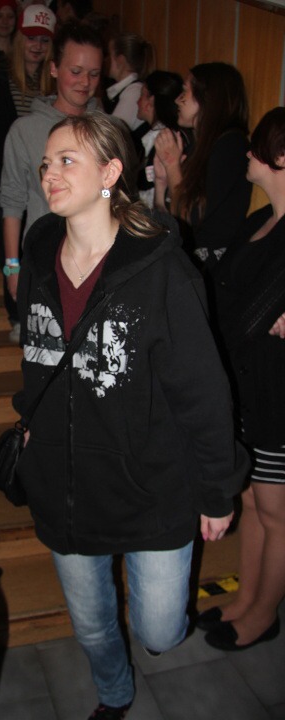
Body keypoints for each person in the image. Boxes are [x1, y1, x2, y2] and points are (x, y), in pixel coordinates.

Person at [15, 113, 248, 719]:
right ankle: (115, 693)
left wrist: (216, 490)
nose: (50, 173)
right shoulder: (38, 255)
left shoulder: (161, 268)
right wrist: (31, 418)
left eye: (68, 160)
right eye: (46, 163)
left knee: (161, 631)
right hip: (67, 487)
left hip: (152, 484)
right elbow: (37, 356)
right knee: (93, 627)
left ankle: (150, 641)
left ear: (110, 172)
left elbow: (202, 390)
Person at [198, 107, 285, 652]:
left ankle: (264, 614)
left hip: (278, 394)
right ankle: (247, 599)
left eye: (258, 145)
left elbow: (248, 310)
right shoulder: (261, 221)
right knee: (253, 503)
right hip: (249, 387)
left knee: (278, 514)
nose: (247, 153)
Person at [0, 19, 103, 302]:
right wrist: (12, 267)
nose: (85, 82)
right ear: (54, 68)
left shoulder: (109, 129)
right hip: (44, 263)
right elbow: (13, 202)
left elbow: (117, 198)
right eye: (76, 71)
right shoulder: (25, 130)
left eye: (94, 74)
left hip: (99, 264)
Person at [0, 2, 55, 335]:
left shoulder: (54, 81)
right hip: (4, 178)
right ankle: (17, 315)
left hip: (45, 181)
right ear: (20, 38)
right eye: (31, 37)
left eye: (44, 40)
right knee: (12, 247)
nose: (37, 46)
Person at [154, 62, 251, 268]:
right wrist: (161, 183)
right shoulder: (199, 145)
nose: (178, 100)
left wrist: (172, 165)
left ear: (206, 98)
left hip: (209, 265)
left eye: (185, 92)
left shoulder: (231, 145)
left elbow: (189, 216)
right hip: (187, 257)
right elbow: (171, 218)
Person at [134, 69, 183, 208]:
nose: (137, 102)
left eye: (141, 95)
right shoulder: (147, 133)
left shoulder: (164, 140)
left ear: (151, 101)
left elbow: (147, 188)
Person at [105, 32, 155, 130]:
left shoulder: (133, 92)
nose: (105, 60)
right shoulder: (127, 90)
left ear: (120, 61)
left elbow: (112, 132)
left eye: (109, 55)